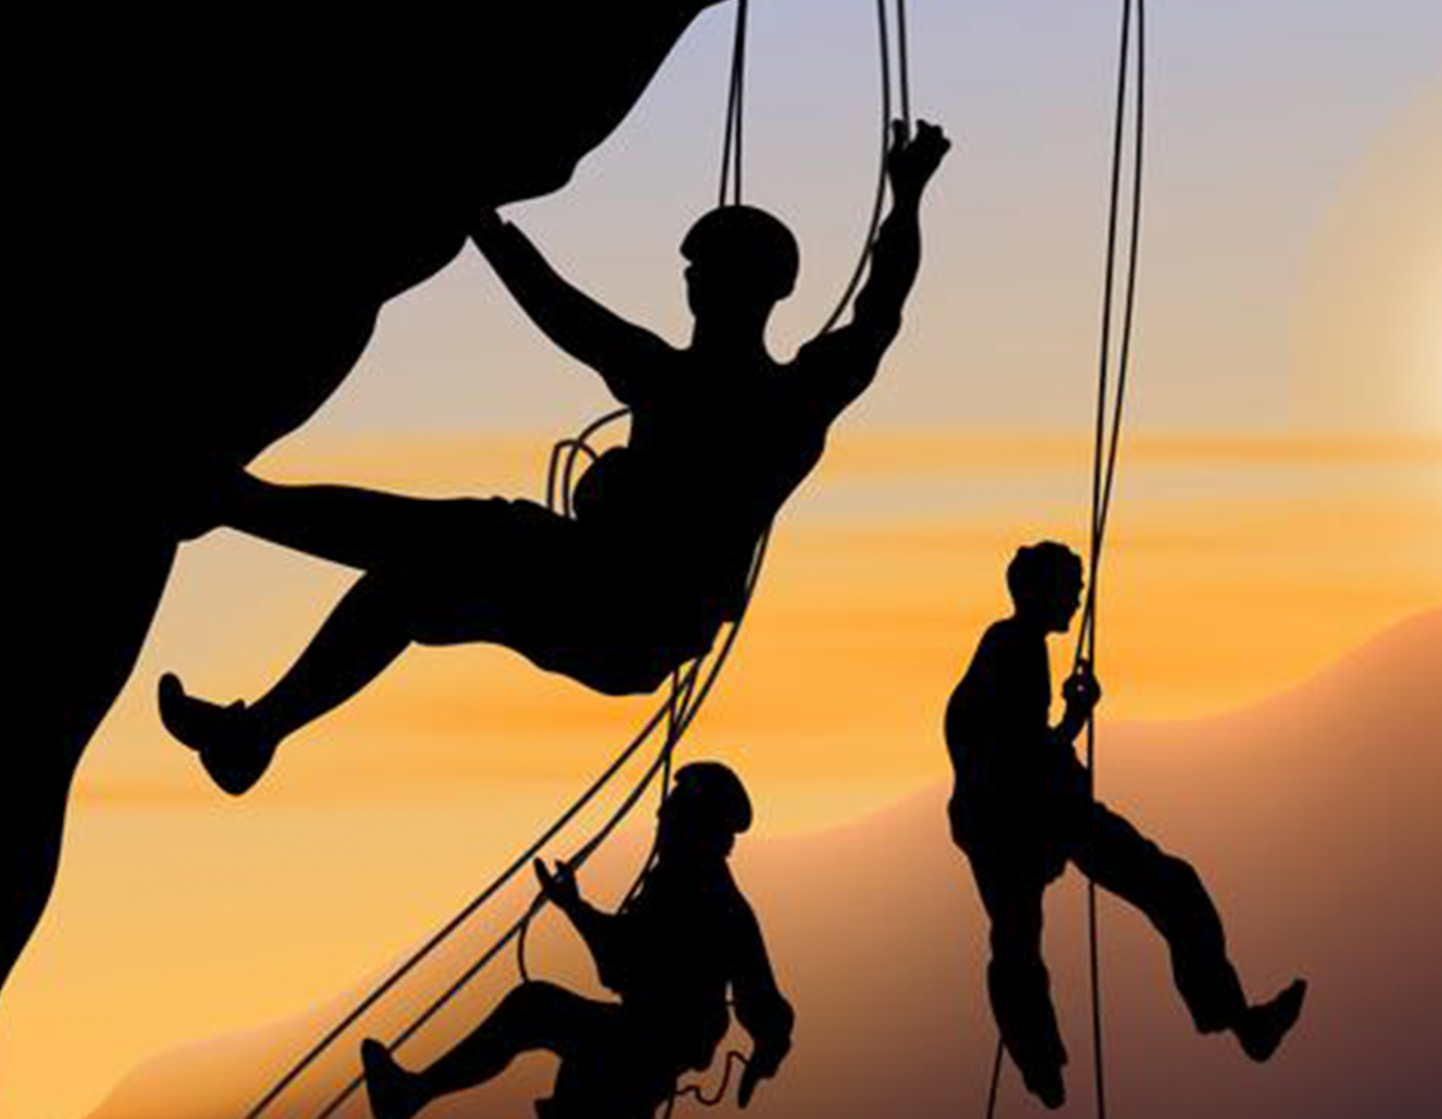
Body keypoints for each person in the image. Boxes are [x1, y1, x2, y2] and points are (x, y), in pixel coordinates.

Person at [157, 120, 951, 796]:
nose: (689, 279)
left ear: (717, 285)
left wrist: (482, 221)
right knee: (407, 588)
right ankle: (254, 730)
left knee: (464, 535)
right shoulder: (796, 396)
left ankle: (231, 502)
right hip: (629, 623)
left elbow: (558, 309)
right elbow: (883, 305)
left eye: (697, 270)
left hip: (612, 604)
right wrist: (907, 199)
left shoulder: (682, 381)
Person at [945, 541, 1307, 1108]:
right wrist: (1068, 728)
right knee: (1136, 899)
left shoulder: (1013, 649)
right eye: (1072, 585)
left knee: (1049, 929)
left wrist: (1069, 721)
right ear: (1042, 590)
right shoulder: (1010, 649)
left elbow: (1014, 744)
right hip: (1020, 819)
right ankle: (1050, 1061)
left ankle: (1053, 1063)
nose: (1079, 596)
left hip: (1025, 816)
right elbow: (1006, 751)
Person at [361, 761, 792, 1119]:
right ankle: (412, 1094)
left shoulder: (698, 895)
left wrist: (573, 907)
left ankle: (412, 1094)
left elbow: (622, 959)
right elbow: (759, 997)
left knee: (532, 1008)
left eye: (672, 813)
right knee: (558, 1061)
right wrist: (767, 1048)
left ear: (695, 827)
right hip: (642, 1047)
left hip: (643, 1050)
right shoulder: (703, 891)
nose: (661, 820)